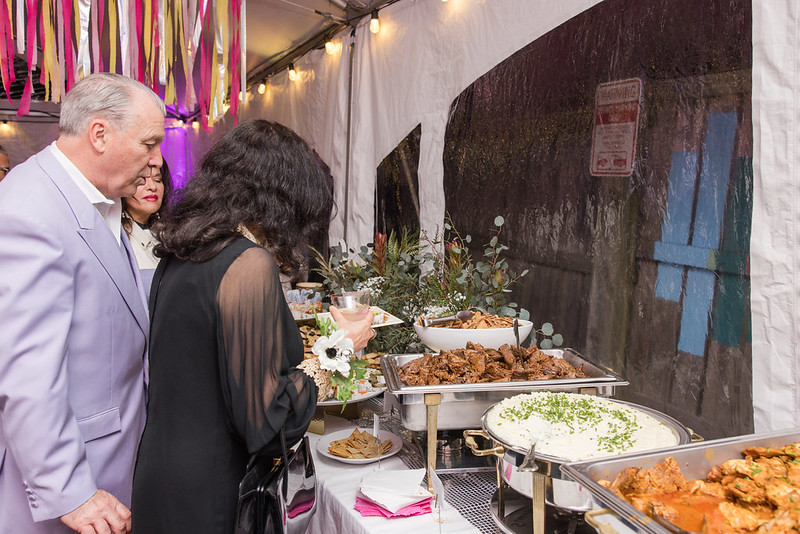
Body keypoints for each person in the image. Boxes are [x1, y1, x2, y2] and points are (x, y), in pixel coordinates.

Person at [131, 119, 374, 533]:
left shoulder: (183, 248)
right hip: (212, 488)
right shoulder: (247, 262)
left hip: (160, 474)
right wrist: (338, 349)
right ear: (283, 201)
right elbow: (267, 422)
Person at [0, 73, 165, 534]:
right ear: (99, 134)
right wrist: (69, 490)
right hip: (69, 485)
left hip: (109, 457)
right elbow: (27, 374)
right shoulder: (30, 211)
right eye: (149, 143)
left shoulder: (98, 198)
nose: (156, 159)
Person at [122, 159, 172, 270]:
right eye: (141, 179)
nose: (152, 187)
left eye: (157, 180)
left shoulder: (171, 232)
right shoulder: (116, 236)